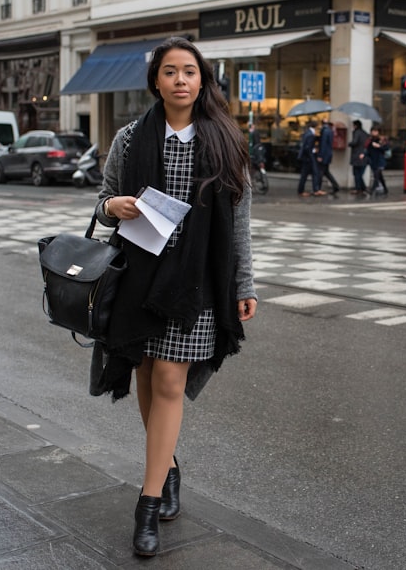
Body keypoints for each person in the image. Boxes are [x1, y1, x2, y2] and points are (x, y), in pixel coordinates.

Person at [93, 36, 258, 557]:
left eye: (190, 71)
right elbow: (102, 203)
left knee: (167, 377)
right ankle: (167, 469)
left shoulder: (226, 139)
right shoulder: (129, 137)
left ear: (202, 79)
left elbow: (240, 220)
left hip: (199, 283)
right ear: (156, 81)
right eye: (170, 71)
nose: (181, 80)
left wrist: (244, 283)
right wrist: (113, 207)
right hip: (140, 275)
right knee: (146, 372)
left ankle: (146, 504)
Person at [296, 121, 322, 196]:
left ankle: (315, 189)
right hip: (309, 158)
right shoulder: (311, 135)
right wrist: (314, 150)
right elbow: (308, 148)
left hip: (307, 158)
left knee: (311, 174)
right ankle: (302, 191)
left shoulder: (307, 132)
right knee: (307, 174)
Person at [316, 120, 340, 194]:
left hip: (324, 155)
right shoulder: (330, 131)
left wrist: (320, 155)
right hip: (328, 154)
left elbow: (323, 144)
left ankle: (318, 188)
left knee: (320, 172)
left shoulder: (324, 131)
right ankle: (335, 186)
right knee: (326, 172)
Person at [365, 125, 389, 195]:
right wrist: (364, 155)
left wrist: (379, 146)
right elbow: (367, 149)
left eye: (375, 131)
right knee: (379, 176)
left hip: (380, 160)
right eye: (373, 131)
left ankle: (372, 190)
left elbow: (386, 148)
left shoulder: (381, 140)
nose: (374, 133)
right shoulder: (370, 140)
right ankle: (385, 188)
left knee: (376, 175)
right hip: (373, 160)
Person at [348, 119, 368, 194]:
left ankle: (358, 188)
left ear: (355, 126)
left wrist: (349, 143)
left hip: (357, 155)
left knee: (356, 173)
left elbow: (355, 142)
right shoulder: (365, 133)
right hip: (363, 155)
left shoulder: (356, 133)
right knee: (359, 173)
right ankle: (363, 188)